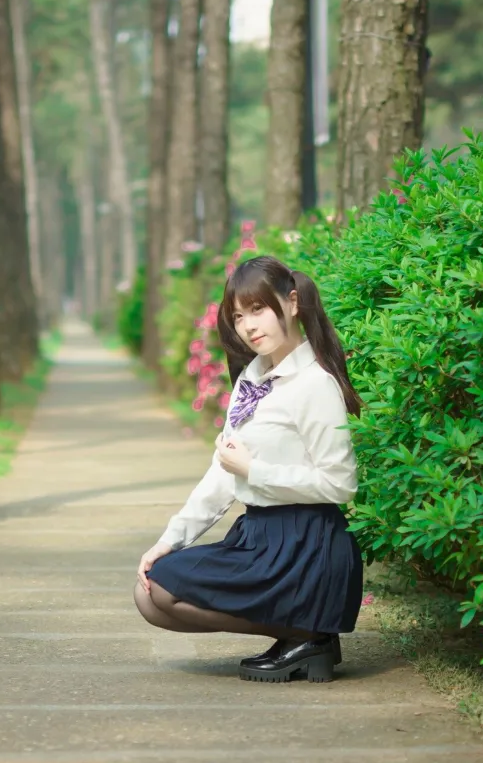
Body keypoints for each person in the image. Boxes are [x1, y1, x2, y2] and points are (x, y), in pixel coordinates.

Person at [133, 255, 365, 683]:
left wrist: (255, 470)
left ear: (292, 303)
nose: (248, 326)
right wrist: (170, 539)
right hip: (259, 536)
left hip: (307, 543)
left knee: (162, 592)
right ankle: (304, 635)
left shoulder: (315, 383)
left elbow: (341, 483)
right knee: (149, 594)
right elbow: (223, 472)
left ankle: (309, 633)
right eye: (239, 316)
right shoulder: (253, 378)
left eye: (258, 310)